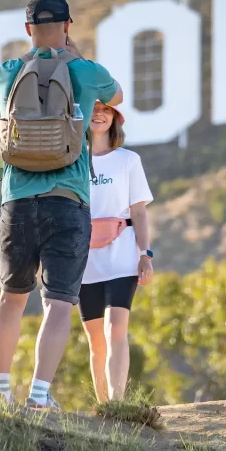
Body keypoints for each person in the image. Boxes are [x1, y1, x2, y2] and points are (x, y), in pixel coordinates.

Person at [0, 0, 123, 409]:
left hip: (18, 200)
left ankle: (0, 391)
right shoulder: (86, 71)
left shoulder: (7, 72)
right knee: (59, 303)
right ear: (68, 24)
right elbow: (115, 97)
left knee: (11, 297)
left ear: (28, 29)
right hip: (68, 199)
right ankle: (40, 397)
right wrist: (74, 57)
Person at [79, 102, 153, 402]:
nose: (99, 114)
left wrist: (145, 254)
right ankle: (103, 408)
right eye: (93, 109)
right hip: (84, 261)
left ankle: (117, 402)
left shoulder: (129, 160)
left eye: (106, 110)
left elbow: (139, 211)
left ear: (115, 119)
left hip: (123, 256)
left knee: (116, 329)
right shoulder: (72, 162)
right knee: (96, 340)